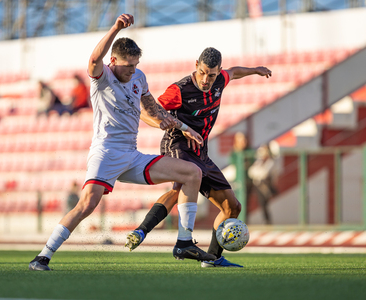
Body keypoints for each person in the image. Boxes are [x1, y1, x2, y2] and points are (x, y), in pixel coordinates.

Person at [29, 14, 215, 271]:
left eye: (136, 64)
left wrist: (183, 127)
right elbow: (94, 59)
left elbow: (154, 109)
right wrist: (116, 27)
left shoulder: (138, 77)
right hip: (105, 152)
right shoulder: (102, 76)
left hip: (131, 154)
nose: (132, 69)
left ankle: (184, 242)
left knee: (192, 173)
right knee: (87, 205)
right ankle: (43, 256)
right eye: (128, 65)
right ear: (114, 61)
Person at [125, 47, 272, 268]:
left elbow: (234, 71)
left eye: (211, 75)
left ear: (217, 72)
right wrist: (169, 125)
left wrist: (255, 70)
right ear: (196, 65)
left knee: (232, 207)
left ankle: (213, 258)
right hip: (177, 145)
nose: (206, 79)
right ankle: (142, 231)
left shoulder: (221, 79)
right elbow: (147, 111)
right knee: (179, 189)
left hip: (200, 153)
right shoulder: (179, 90)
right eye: (202, 72)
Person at [248, 144, 279, 225]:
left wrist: (258, 173)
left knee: (265, 203)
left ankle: (267, 221)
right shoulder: (259, 161)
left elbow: (264, 173)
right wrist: (258, 172)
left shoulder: (271, 161)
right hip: (258, 185)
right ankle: (266, 220)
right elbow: (251, 172)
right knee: (261, 203)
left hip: (265, 185)